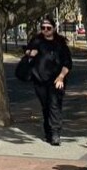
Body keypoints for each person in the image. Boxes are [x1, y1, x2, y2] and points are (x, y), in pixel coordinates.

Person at [25, 17, 72, 145]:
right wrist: (30, 53)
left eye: (48, 28)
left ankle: (55, 132)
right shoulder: (36, 41)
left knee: (54, 105)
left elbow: (67, 63)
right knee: (46, 106)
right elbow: (27, 52)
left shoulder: (60, 44)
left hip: (57, 80)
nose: (45, 30)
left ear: (54, 28)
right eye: (43, 28)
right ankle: (48, 132)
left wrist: (61, 76)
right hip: (40, 81)